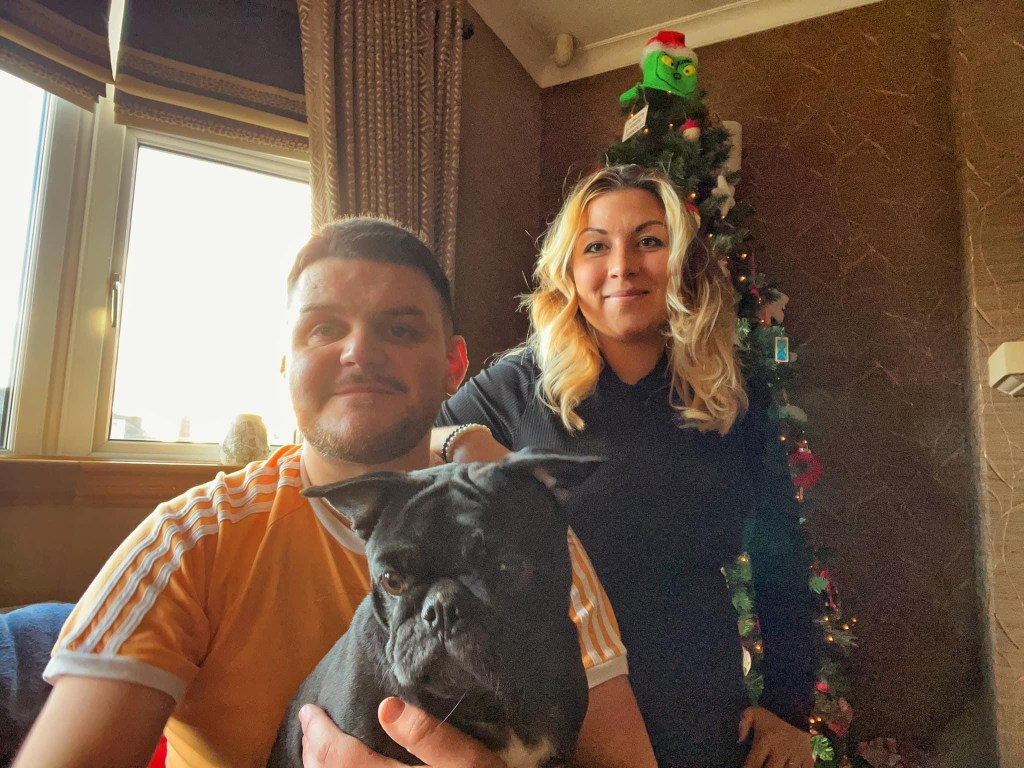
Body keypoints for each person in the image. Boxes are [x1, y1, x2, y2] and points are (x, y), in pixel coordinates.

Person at [13, 217, 656, 768]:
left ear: (454, 365)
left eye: (400, 329)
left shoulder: (531, 527)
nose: (359, 351)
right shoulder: (187, 542)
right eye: (323, 329)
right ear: (284, 362)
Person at [434, 165, 819, 768]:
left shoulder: (735, 395)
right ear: (569, 272)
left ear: (682, 263)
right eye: (596, 247)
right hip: (556, 710)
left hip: (700, 709)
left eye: (649, 241)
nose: (622, 265)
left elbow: (781, 557)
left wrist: (789, 708)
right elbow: (415, 442)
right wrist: (461, 441)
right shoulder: (518, 384)